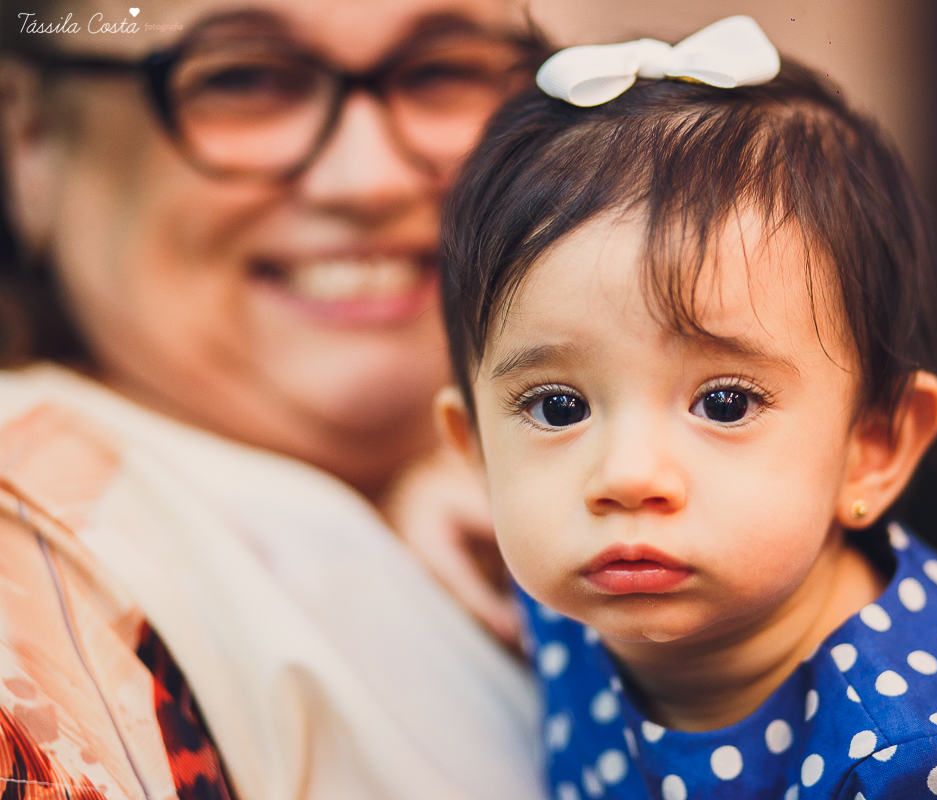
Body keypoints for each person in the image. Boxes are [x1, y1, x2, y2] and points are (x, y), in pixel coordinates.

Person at [433, 17, 937, 800]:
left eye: (724, 403)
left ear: (873, 447)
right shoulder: (581, 573)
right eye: (559, 408)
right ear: (474, 449)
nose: (625, 478)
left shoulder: (925, 756)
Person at [0, 1, 547, 798]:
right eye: (243, 78)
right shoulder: (34, 564)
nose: (369, 181)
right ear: (30, 140)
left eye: (443, 71)